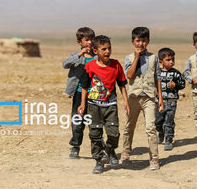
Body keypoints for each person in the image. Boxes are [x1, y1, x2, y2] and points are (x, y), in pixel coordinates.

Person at [77, 35, 130, 174]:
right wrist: (82, 104)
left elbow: (122, 84)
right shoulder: (90, 66)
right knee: (95, 134)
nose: (107, 51)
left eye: (109, 48)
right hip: (93, 106)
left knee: (114, 133)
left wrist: (126, 101)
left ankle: (110, 150)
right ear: (95, 51)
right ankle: (99, 161)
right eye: (104, 49)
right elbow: (84, 86)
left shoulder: (116, 64)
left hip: (110, 105)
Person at [121, 27, 164, 171]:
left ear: (148, 41)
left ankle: (154, 157)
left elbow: (157, 77)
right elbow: (130, 75)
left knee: (150, 127)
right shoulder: (129, 57)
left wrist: (161, 98)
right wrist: (137, 57)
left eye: (143, 41)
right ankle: (126, 152)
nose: (141, 44)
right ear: (133, 41)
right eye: (138, 41)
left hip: (149, 97)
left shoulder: (154, 57)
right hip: (133, 97)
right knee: (129, 126)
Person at [62, 27, 95, 159]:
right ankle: (75, 146)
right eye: (86, 40)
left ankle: (98, 147)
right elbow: (65, 64)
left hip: (94, 94)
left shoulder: (97, 57)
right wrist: (80, 54)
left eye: (92, 39)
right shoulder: (76, 56)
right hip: (78, 93)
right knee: (77, 121)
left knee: (95, 122)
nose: (89, 43)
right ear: (79, 42)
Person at [155, 48, 185, 151]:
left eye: (173, 59)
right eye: (168, 60)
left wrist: (175, 85)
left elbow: (183, 84)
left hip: (171, 102)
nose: (171, 62)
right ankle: (161, 132)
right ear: (160, 61)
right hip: (158, 102)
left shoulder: (176, 73)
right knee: (157, 121)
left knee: (169, 122)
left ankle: (168, 139)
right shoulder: (157, 73)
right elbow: (152, 84)